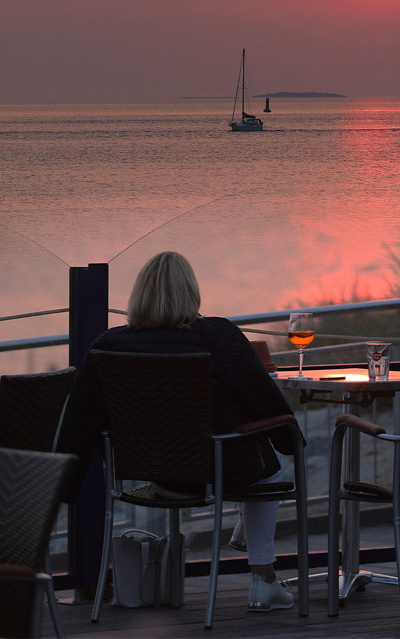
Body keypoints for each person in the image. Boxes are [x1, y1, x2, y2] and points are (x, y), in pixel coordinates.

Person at [57, 250, 296, 612]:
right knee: (275, 461)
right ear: (191, 291)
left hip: (159, 477)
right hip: (220, 475)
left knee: (266, 460)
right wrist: (290, 437)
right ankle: (264, 579)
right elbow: (262, 398)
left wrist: (62, 487)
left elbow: (79, 418)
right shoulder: (218, 335)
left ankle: (246, 534)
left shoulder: (108, 344)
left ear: (140, 294)